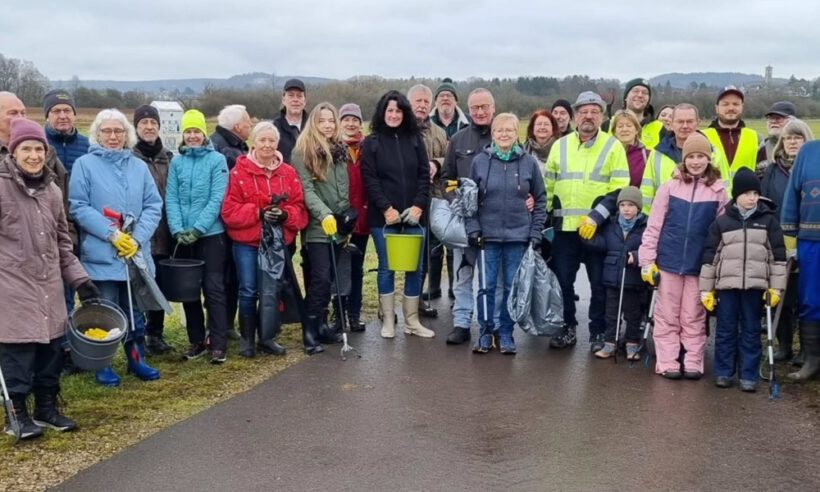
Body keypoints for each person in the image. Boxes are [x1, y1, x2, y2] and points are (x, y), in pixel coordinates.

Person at [0, 118, 99, 439]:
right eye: (26, 149)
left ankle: (46, 408)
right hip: (11, 288)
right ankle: (17, 415)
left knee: (51, 352)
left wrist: (80, 281)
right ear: (13, 153)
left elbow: (62, 244)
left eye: (38, 149)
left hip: (49, 287)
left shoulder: (53, 191)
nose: (33, 155)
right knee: (18, 354)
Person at [69, 109, 163, 387]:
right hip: (102, 253)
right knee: (105, 309)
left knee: (135, 310)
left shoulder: (138, 166)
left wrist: (136, 239)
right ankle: (104, 363)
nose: (113, 136)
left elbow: (153, 205)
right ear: (98, 134)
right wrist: (112, 235)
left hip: (134, 254)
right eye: (107, 131)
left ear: (126, 135)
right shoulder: (85, 165)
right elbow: (79, 206)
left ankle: (136, 357)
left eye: (118, 131)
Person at [544, 91, 630, 352]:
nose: (588, 116)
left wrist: (596, 217)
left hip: (597, 230)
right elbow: (548, 185)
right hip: (564, 231)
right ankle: (567, 327)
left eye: (594, 111)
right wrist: (546, 217)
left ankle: (597, 332)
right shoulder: (560, 145)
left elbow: (620, 189)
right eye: (583, 111)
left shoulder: (612, 146)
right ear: (574, 115)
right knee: (563, 284)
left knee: (598, 285)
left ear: (602, 116)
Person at [638, 132, 728, 379]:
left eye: (701, 156)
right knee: (667, 315)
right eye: (691, 156)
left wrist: (717, 266)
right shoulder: (669, 188)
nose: (696, 162)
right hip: (668, 262)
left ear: (708, 159)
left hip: (699, 266)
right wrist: (647, 261)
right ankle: (667, 361)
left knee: (693, 315)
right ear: (684, 159)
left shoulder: (718, 191)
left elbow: (723, 234)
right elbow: (654, 225)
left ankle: (693, 361)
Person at [221, 122, 311, 355]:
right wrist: (258, 212)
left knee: (271, 290)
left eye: (272, 140)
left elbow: (299, 209)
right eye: (263, 140)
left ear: (277, 143)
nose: (267, 145)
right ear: (253, 142)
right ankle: (247, 340)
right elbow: (229, 212)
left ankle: (267, 337)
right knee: (249, 289)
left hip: (278, 244)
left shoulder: (288, 174)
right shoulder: (238, 173)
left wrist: (284, 214)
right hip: (247, 243)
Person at [465, 113, 546, 354]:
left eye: (509, 130)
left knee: (512, 287)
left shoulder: (528, 163)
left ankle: (506, 333)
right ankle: (486, 332)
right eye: (499, 130)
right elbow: (469, 200)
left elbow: (540, 200)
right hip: (486, 238)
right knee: (486, 286)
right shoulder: (480, 162)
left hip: (517, 237)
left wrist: (535, 232)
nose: (504, 134)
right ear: (493, 134)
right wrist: (473, 229)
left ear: (516, 133)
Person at [700, 168, 787, 391]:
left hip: (755, 287)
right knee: (726, 329)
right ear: (736, 194)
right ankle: (723, 371)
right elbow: (711, 257)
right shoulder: (722, 223)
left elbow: (777, 258)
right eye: (747, 193)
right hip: (727, 287)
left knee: (751, 330)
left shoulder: (768, 222)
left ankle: (748, 375)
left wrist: (776, 289)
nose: (752, 198)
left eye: (755, 194)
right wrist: (706, 290)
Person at [362, 91, 434, 339]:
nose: (393, 115)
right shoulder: (371, 143)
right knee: (387, 267)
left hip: (415, 216)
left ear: (405, 113)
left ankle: (412, 321)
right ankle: (389, 320)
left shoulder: (415, 140)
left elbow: (425, 175)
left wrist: (418, 206)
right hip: (384, 219)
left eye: (398, 111)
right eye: (389, 110)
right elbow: (369, 179)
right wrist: (386, 208)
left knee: (415, 267)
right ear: (382, 113)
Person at [166, 110, 230, 363]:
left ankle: (218, 341)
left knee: (213, 288)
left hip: (210, 235)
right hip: (182, 235)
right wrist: (177, 228)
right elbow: (171, 197)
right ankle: (196, 340)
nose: (193, 136)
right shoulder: (176, 162)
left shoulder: (216, 160)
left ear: (204, 134)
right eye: (188, 131)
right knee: (189, 291)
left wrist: (198, 229)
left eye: (197, 131)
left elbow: (217, 198)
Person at [440, 88, 496, 344]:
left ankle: (492, 324)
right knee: (463, 274)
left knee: (495, 276)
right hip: (465, 221)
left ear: (493, 108)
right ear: (469, 110)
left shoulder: (504, 137)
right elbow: (446, 179)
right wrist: (455, 201)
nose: (480, 112)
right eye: (475, 108)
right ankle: (462, 323)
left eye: (485, 107)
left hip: (496, 220)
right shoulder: (459, 140)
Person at [292, 102, 350, 345]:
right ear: (313, 123)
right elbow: (306, 189)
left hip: (338, 226)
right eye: (322, 120)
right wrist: (324, 214)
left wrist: (345, 218)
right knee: (321, 278)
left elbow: (342, 186)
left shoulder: (340, 149)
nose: (327, 125)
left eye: (331, 120)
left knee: (330, 280)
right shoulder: (302, 151)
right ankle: (309, 329)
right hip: (318, 226)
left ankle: (322, 325)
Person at [760, 119, 814, 362]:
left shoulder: (812, 167)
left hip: (807, 240)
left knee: (806, 298)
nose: (793, 142)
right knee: (780, 294)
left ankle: (806, 350)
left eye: (798, 137)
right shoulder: (771, 170)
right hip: (777, 241)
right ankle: (783, 346)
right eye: (789, 138)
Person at [582, 186, 647, 360]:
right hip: (612, 279)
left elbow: (650, 248)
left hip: (633, 280)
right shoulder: (611, 225)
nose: (627, 209)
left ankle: (632, 343)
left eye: (631, 205)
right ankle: (610, 343)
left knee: (633, 314)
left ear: (639, 208)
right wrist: (586, 235)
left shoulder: (644, 226)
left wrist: (636, 255)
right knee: (611, 313)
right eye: (623, 205)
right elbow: (601, 244)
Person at [131, 104, 175, 355]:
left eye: (153, 123)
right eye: (144, 123)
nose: (149, 127)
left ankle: (155, 334)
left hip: (166, 231)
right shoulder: (130, 157)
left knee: (160, 285)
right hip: (141, 232)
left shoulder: (168, 158)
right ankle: (138, 334)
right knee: (140, 284)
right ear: (136, 127)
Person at [407, 84, 452, 311]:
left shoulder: (439, 132)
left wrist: (436, 163)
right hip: (405, 200)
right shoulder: (400, 129)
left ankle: (420, 299)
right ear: (409, 103)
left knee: (426, 252)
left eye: (426, 102)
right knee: (405, 255)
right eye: (418, 101)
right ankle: (399, 301)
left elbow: (448, 158)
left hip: (432, 198)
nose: (423, 105)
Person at [642, 104, 730, 213]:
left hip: (706, 221)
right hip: (666, 223)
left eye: (689, 121)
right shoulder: (657, 154)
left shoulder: (714, 154)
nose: (685, 126)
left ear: (698, 123)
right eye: (680, 121)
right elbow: (647, 192)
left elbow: (726, 190)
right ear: (672, 123)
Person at [210, 104, 251, 341]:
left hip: (228, 221)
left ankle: (225, 324)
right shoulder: (225, 149)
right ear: (237, 127)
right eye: (248, 123)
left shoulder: (232, 144)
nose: (250, 126)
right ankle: (220, 325)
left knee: (231, 275)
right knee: (223, 276)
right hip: (223, 223)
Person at [781, 139, 820, 382]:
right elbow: (792, 194)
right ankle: (812, 359)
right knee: (811, 298)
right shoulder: (809, 151)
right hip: (811, 238)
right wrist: (790, 237)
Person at [337, 103, 369, 332]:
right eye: (346, 119)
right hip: (339, 218)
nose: (351, 124)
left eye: (355, 120)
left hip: (362, 218)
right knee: (338, 269)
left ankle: (354, 314)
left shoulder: (367, 147)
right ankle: (337, 315)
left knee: (357, 268)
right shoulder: (333, 147)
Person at [702, 86, 762, 175]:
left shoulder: (756, 138)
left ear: (742, 107)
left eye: (736, 104)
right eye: (725, 104)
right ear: (716, 108)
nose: (731, 108)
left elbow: (763, 175)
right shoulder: (702, 137)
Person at [603, 78, 664, 149]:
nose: (640, 95)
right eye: (636, 91)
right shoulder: (607, 125)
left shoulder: (660, 129)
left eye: (645, 93)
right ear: (626, 97)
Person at [610, 109, 650, 188]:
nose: (624, 129)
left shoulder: (648, 156)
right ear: (614, 132)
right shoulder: (607, 154)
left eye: (629, 126)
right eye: (620, 126)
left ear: (636, 130)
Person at [273, 79, 308, 163]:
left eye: (299, 96)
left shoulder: (314, 126)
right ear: (283, 100)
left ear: (305, 101)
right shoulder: (274, 128)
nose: (295, 100)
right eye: (291, 95)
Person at [757, 101, 796, 170]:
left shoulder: (802, 147)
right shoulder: (762, 148)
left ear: (792, 121)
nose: (773, 121)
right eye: (770, 118)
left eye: (778, 118)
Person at [211, 104, 251, 170]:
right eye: (248, 122)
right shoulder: (227, 151)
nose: (251, 124)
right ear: (238, 127)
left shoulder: (217, 140)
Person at [523, 109, 559, 174]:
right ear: (532, 128)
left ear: (553, 128)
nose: (542, 127)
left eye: (546, 124)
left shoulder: (561, 149)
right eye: (539, 124)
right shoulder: (522, 150)